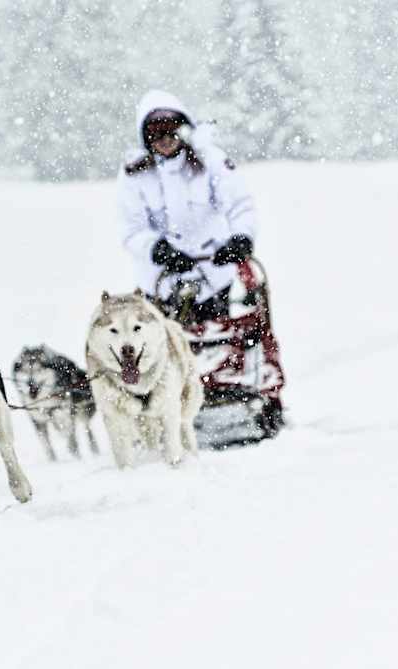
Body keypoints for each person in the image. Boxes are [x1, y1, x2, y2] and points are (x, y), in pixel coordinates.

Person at [116, 90, 286, 435]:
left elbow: (240, 205)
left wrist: (239, 239)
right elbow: (131, 229)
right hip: (163, 280)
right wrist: (157, 250)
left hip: (214, 270)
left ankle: (231, 392)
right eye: (156, 135)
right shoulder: (135, 175)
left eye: (171, 132)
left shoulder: (210, 162)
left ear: (184, 131)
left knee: (228, 335)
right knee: (169, 344)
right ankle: (171, 409)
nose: (165, 141)